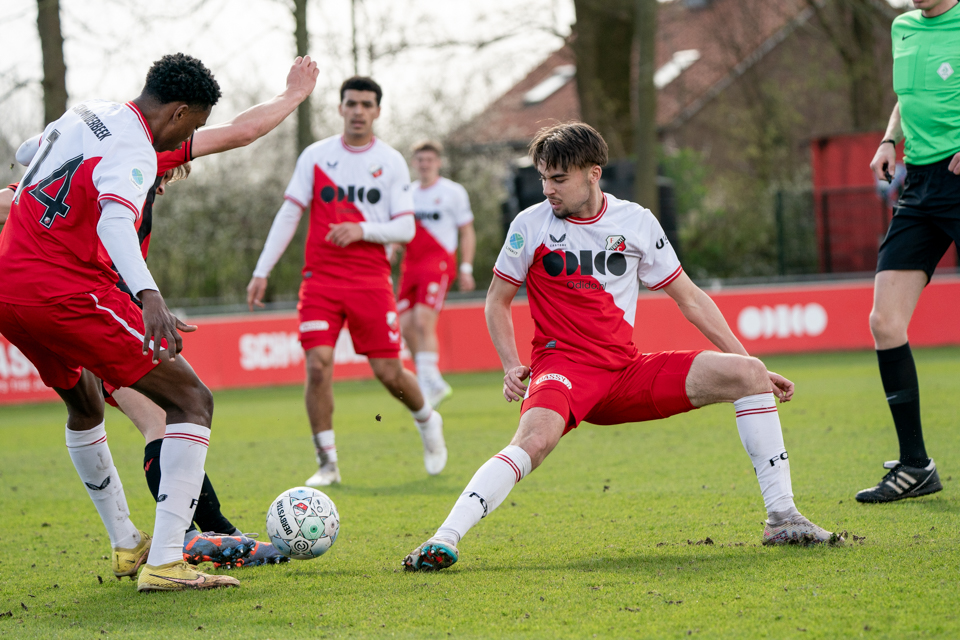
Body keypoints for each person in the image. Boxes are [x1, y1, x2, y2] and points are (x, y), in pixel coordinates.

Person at [403, 123, 840, 572]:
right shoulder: (529, 225)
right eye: (543, 178)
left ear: (593, 174)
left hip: (625, 372)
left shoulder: (635, 221)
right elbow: (496, 300)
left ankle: (782, 518)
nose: (547, 190)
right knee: (532, 441)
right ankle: (445, 538)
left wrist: (752, 363)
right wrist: (511, 363)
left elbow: (690, 298)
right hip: (563, 368)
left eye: (559, 179)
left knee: (747, 375)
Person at [5, 57, 320, 568]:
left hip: (34, 291)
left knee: (88, 406)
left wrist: (290, 97)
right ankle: (189, 545)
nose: (175, 163)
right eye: (191, 128)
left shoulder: (98, 123)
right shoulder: (133, 152)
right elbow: (109, 220)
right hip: (79, 299)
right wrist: (149, 295)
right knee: (175, 408)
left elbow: (241, 132)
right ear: (177, 115)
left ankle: (135, 543)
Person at [247, 76, 446, 487]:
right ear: (339, 108)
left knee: (388, 372)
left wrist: (362, 230)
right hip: (320, 280)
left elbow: (406, 229)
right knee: (318, 367)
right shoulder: (316, 156)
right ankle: (327, 463)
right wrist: (261, 270)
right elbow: (290, 213)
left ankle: (428, 421)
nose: (358, 111)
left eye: (366, 104)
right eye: (351, 103)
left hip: (371, 280)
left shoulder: (390, 161)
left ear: (377, 111)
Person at [859, 0, 960, 503]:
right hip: (919, 184)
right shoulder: (902, 26)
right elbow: (907, 96)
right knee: (884, 321)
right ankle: (915, 465)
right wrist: (888, 140)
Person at [396, 140, 476, 407]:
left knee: (422, 320)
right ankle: (432, 381)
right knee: (405, 324)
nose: (425, 164)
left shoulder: (453, 192)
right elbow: (400, 226)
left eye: (429, 160)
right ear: (414, 163)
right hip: (411, 264)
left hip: (438, 262)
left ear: (438, 162)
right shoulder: (406, 192)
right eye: (420, 160)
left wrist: (466, 266)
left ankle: (428, 383)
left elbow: (466, 231)